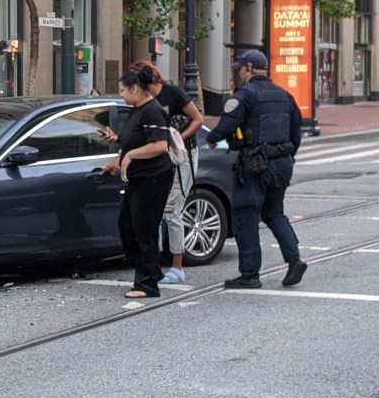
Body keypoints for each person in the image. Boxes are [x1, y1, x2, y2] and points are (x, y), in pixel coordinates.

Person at [205, 50, 307, 289]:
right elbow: (296, 132)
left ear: (249, 69)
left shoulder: (246, 94)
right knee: (275, 213)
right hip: (281, 162)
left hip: (255, 164)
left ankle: (250, 274)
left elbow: (227, 123)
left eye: (241, 68)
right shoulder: (285, 95)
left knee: (245, 215)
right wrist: (286, 156)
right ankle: (294, 259)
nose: (239, 73)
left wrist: (212, 137)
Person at [131, 60, 203, 285]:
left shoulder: (172, 93)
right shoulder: (142, 102)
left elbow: (197, 119)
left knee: (173, 210)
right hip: (158, 160)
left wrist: (179, 140)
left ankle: (177, 267)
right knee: (157, 211)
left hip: (180, 157)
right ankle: (157, 265)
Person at [110, 66, 175, 299]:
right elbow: (134, 138)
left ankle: (146, 284)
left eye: (122, 90)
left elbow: (159, 145)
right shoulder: (137, 110)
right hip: (137, 178)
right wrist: (119, 144)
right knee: (127, 226)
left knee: (143, 229)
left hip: (153, 178)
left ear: (135, 89)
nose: (121, 95)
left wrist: (130, 155)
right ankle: (151, 271)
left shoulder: (153, 111)